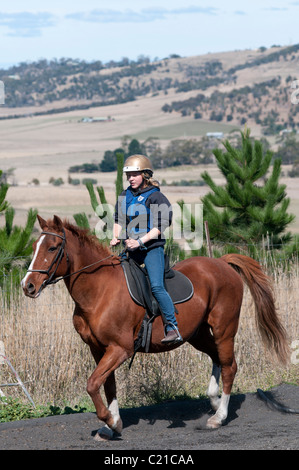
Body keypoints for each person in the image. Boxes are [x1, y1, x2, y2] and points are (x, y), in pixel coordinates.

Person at [110, 154, 182, 344]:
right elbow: (118, 219)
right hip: (132, 249)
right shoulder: (125, 195)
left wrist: (140, 242)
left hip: (151, 249)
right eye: (128, 175)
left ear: (145, 174)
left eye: (134, 174)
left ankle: (172, 327)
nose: (130, 178)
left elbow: (161, 225)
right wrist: (116, 236)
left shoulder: (156, 196)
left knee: (157, 287)